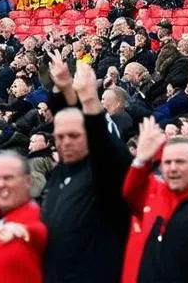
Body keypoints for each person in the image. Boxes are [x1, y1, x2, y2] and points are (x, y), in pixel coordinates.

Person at [40, 59, 130, 283]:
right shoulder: (62, 174)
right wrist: (64, 89)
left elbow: (106, 148)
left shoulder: (102, 173)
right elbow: (67, 120)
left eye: (73, 137)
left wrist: (90, 101)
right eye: (60, 138)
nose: (65, 142)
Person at [121, 118, 188, 283]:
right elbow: (130, 191)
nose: (173, 168)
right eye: (167, 163)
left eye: (180, 162)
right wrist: (142, 160)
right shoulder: (154, 194)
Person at [0, 151, 47, 283]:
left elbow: (39, 233)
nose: (1, 184)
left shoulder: (41, 218)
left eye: (8, 178)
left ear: (28, 181)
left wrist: (26, 232)